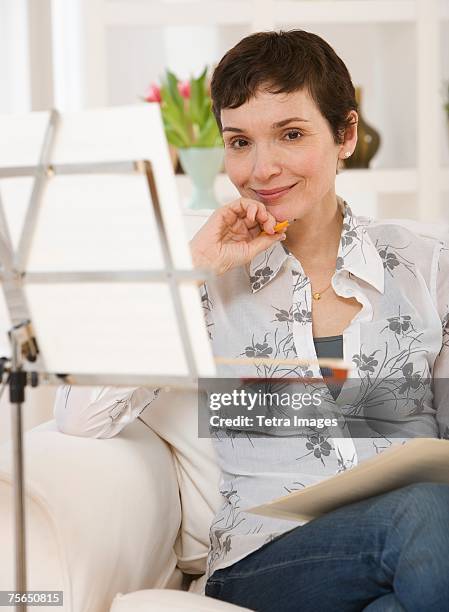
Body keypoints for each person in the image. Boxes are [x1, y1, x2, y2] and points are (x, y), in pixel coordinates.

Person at [55, 30, 449, 612]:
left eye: (291, 134)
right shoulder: (207, 279)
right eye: (240, 141)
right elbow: (78, 420)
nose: (263, 168)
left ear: (346, 135)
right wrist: (192, 271)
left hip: (414, 554)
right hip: (268, 561)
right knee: (426, 512)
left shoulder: (428, 266)